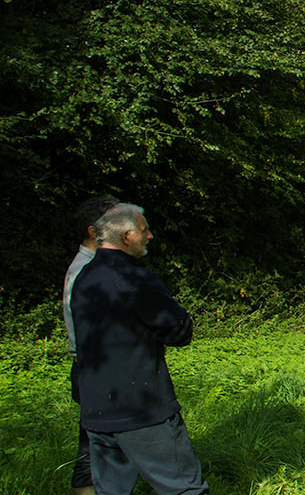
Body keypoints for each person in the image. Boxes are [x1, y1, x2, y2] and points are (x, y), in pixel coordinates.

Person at [70, 203, 209, 495]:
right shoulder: (135, 279)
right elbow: (178, 330)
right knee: (183, 488)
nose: (150, 237)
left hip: (97, 411)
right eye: (144, 231)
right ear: (125, 236)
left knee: (111, 491)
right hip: (141, 410)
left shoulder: (84, 277)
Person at [62, 194, 119, 495]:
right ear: (93, 232)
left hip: (100, 370)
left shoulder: (95, 268)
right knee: (94, 448)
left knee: (99, 446)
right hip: (99, 370)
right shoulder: (86, 274)